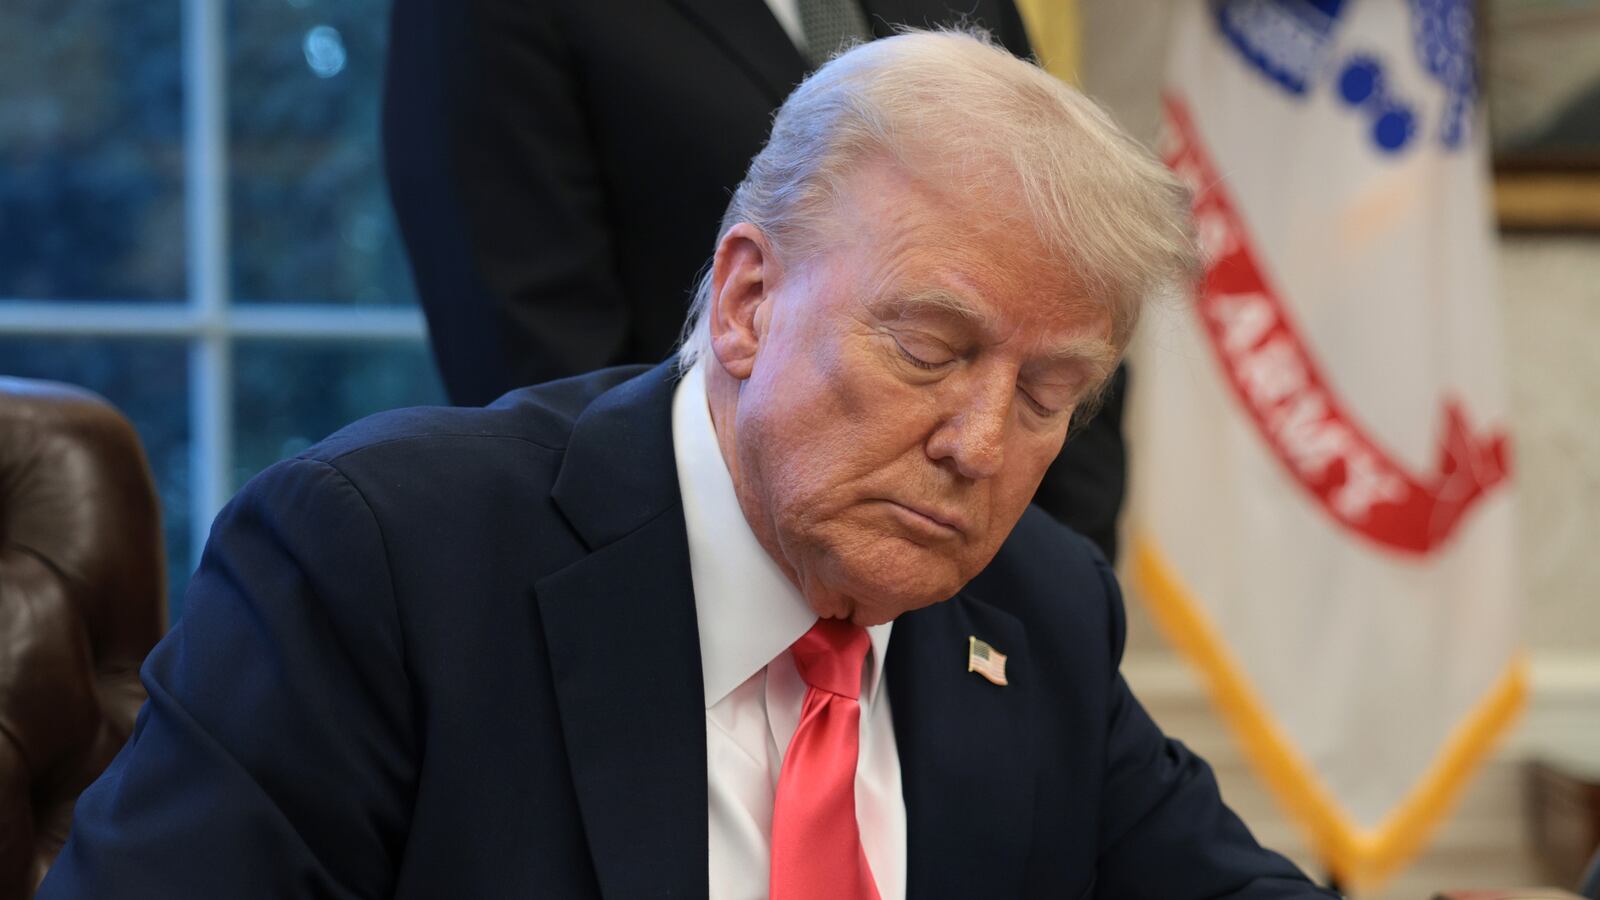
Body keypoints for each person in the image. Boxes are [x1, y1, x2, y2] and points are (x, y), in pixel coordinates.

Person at [41, 31, 1336, 898]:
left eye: (1052, 395)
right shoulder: (384, 561)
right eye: (933, 352)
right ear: (748, 301)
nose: (982, 446)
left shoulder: (1033, 611)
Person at [383, 0, 1133, 560]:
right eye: (926, 348)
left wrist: (1053, 597)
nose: (980, 445)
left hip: (954, 620)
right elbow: (529, 333)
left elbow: (1057, 271)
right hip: (646, 587)